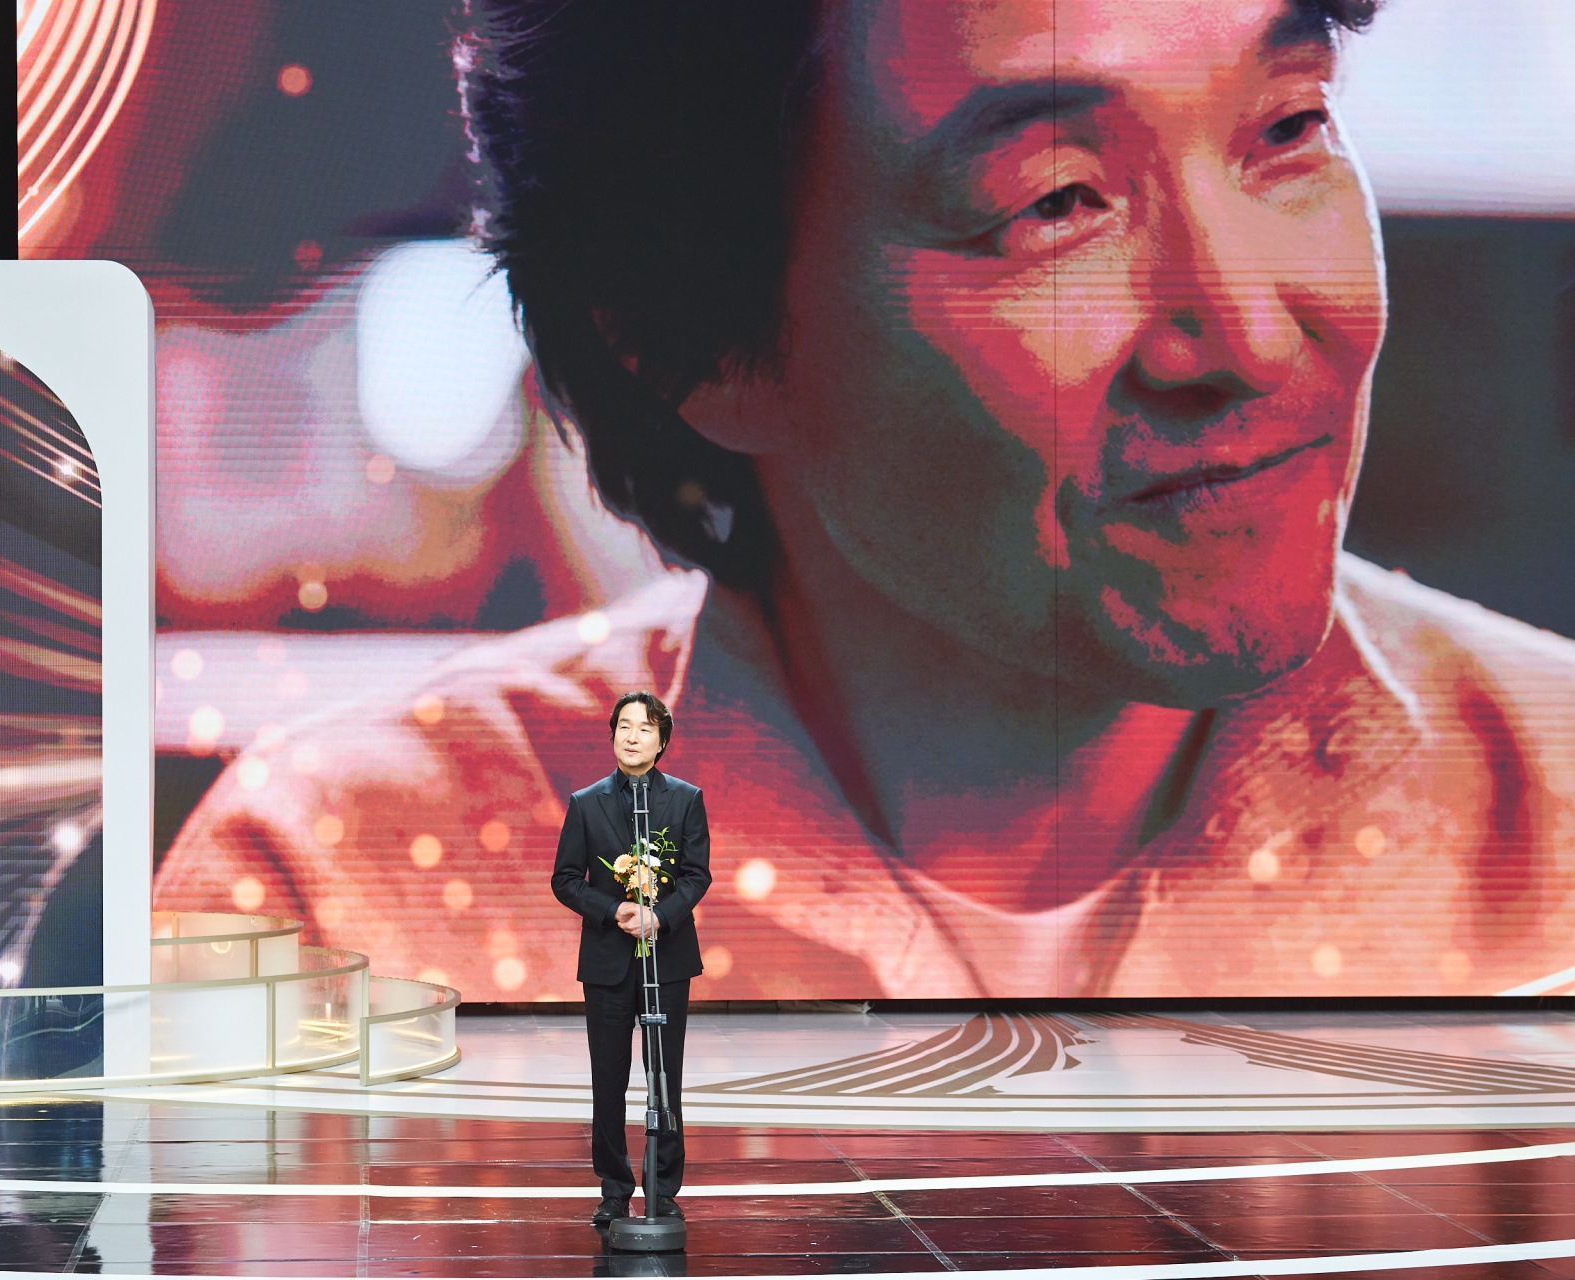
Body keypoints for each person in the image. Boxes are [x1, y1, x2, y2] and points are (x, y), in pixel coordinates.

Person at [154, 0, 1575, 1001]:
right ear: (693, 344)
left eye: (1290, 127)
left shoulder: (1554, 825)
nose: (1254, 335)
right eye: (1057, 200)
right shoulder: (357, 907)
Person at [551, 691, 711, 1225]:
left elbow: (697, 876)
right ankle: (615, 1188)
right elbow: (565, 880)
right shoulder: (585, 802)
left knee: (664, 1074)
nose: (633, 736)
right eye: (624, 726)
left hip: (667, 959)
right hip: (608, 962)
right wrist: (613, 909)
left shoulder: (685, 799)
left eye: (644, 728)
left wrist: (659, 917)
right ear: (613, 735)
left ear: (662, 740)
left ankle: (662, 1188)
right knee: (609, 1079)